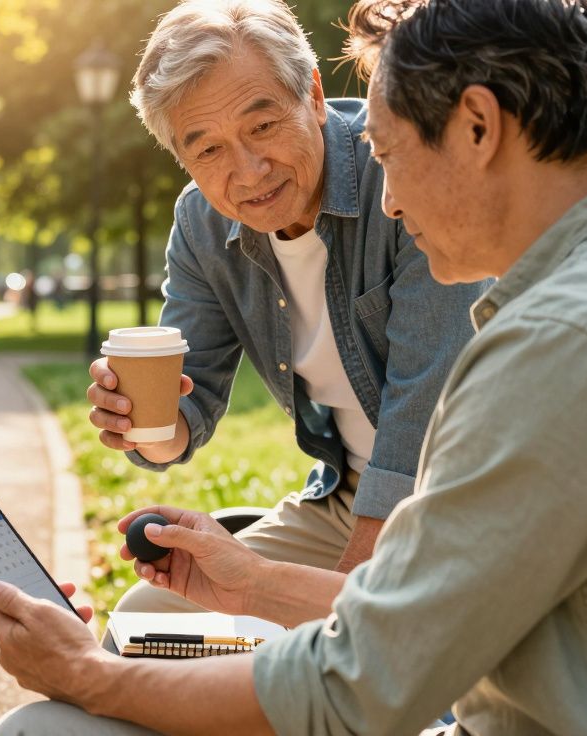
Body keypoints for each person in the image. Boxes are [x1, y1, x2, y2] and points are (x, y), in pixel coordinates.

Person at [0, 0, 587, 733]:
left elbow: (359, 679)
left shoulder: (562, 347)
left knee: (38, 730)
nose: (385, 201)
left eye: (387, 154)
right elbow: (421, 614)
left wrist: (88, 675)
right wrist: (252, 582)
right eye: (207, 149)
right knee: (147, 630)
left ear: (478, 128)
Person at [85, 0, 486, 636]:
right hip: (344, 496)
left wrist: (336, 607)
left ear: (315, 96)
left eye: (264, 126)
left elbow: (423, 428)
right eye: (208, 148)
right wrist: (143, 426)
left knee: (341, 655)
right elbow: (188, 408)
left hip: (453, 498)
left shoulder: (401, 175)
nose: (247, 171)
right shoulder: (201, 224)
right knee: (147, 617)